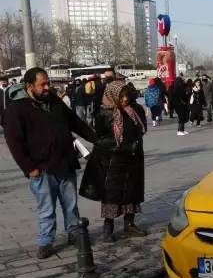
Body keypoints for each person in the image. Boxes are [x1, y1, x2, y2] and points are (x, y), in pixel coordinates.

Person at [3, 68, 97, 259]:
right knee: (46, 209)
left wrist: (96, 139)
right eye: (42, 85)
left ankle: (74, 233)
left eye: (48, 83)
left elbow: (75, 122)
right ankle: (46, 241)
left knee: (71, 205)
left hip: (65, 162)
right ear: (29, 86)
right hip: (41, 168)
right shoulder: (17, 107)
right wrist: (29, 168)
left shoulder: (54, 101)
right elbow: (14, 142)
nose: (47, 88)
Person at [80, 81, 147, 242]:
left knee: (132, 192)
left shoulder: (134, 109)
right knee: (112, 194)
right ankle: (108, 227)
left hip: (133, 159)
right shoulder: (104, 113)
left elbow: (140, 129)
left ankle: (129, 224)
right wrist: (121, 146)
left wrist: (134, 145)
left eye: (126, 95)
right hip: (112, 162)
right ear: (113, 95)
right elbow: (100, 139)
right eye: (121, 96)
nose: (125, 99)